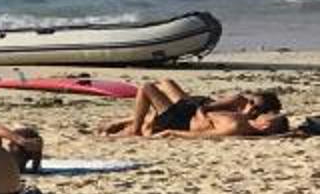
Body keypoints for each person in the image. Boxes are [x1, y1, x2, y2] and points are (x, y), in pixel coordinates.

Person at [99, 80, 294, 140]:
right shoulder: (245, 121)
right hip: (188, 112)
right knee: (161, 86)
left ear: (265, 124)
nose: (263, 115)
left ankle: (134, 130)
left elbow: (205, 135)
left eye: (267, 116)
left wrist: (171, 132)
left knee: (146, 88)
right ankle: (130, 125)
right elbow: (279, 131)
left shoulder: (237, 126)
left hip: (181, 120)